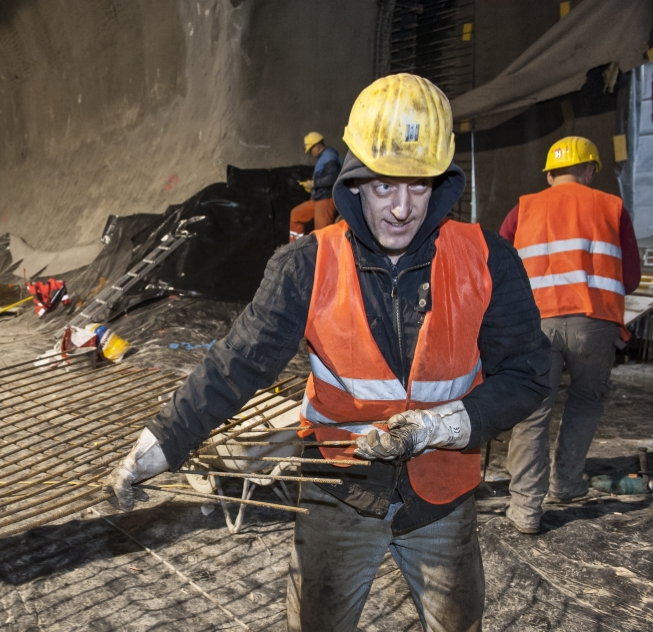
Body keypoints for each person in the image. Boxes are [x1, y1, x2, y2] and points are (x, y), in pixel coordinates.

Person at [109, 74, 551, 631]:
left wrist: (442, 426)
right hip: (337, 495)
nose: (401, 208)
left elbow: (530, 374)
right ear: (355, 183)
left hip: (442, 496)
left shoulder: (487, 259)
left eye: (417, 186)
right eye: (384, 186)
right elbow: (238, 362)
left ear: (441, 183)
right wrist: (162, 443)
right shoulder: (306, 266)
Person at [500, 137, 641, 534]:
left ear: (548, 173)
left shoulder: (522, 209)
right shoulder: (610, 207)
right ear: (590, 170)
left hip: (534, 325)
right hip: (592, 322)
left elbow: (498, 268)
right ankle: (566, 482)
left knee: (532, 409)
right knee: (586, 399)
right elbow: (629, 278)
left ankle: (526, 507)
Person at [289, 131, 341, 241]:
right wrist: (313, 187)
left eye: (311, 149)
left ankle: (324, 256)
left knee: (322, 234)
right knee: (296, 215)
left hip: (326, 199)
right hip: (319, 198)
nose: (310, 153)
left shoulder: (329, 155)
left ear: (318, 146)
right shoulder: (324, 157)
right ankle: (296, 248)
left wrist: (314, 184)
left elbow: (333, 178)